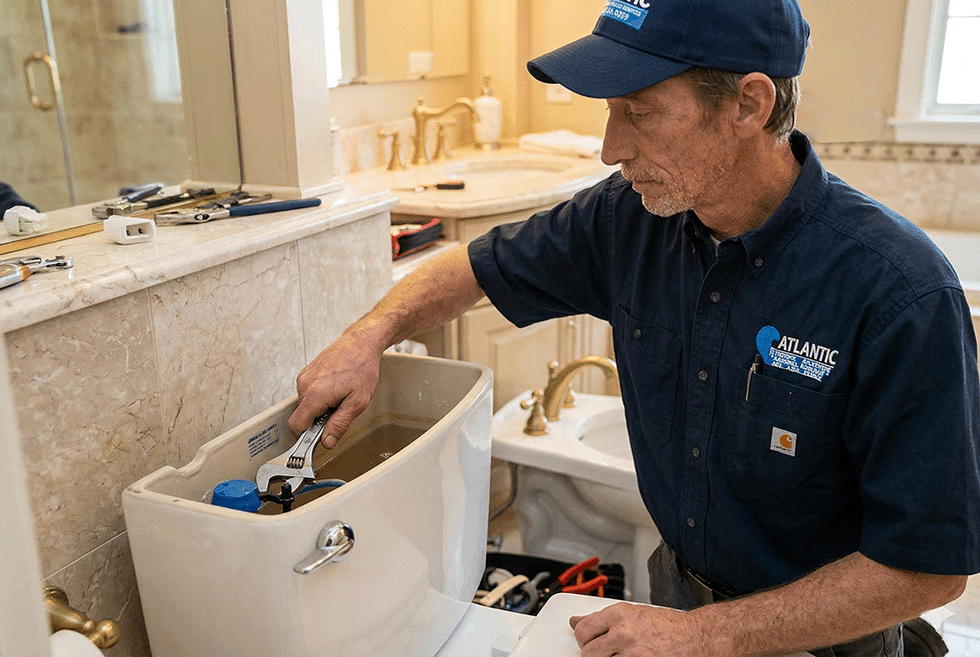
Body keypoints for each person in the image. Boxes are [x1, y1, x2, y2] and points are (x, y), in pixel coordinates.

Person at [288, 0, 980, 655]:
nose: (608, 147)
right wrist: (367, 338)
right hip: (675, 601)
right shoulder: (627, 219)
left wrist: (706, 636)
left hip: (822, 639)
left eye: (638, 112)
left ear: (749, 103)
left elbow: (929, 569)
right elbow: (473, 267)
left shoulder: (899, 292)